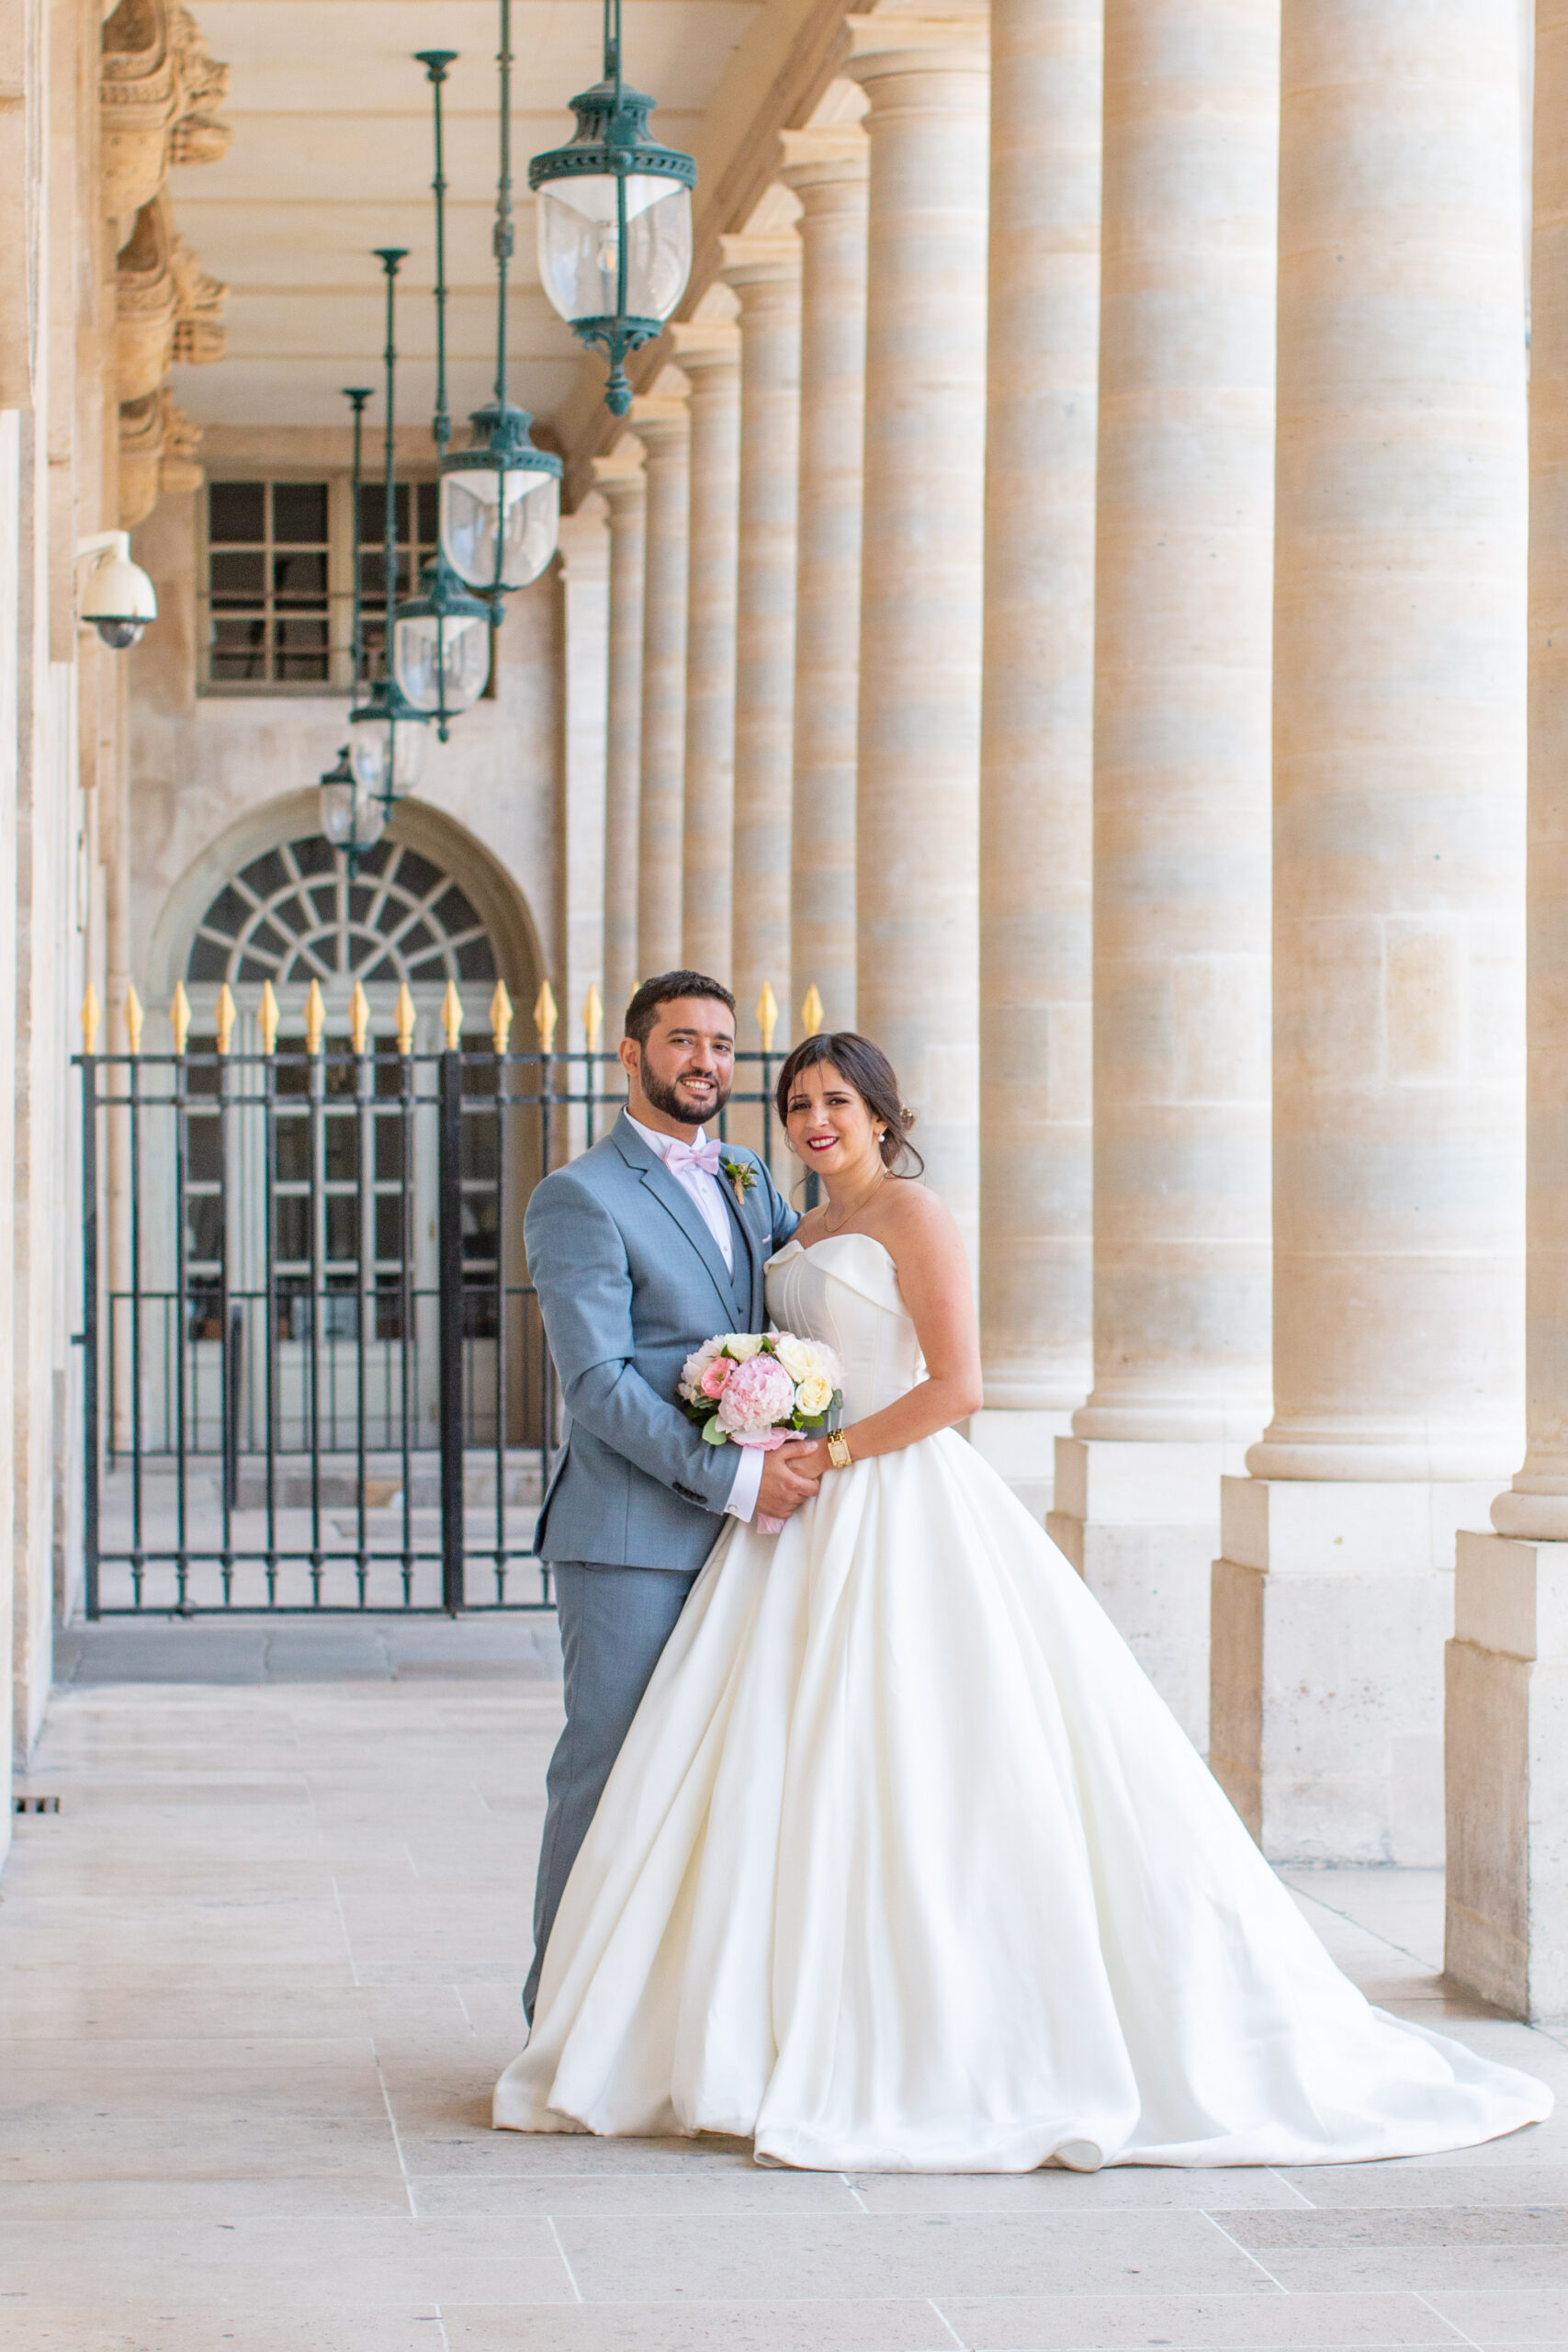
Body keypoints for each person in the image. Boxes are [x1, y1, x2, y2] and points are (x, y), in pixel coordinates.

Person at [496, 1030, 1551, 2171]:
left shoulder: (914, 1215)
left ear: (885, 1115)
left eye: (837, 1101)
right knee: (773, 1764)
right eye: (799, 1101)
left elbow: (959, 1387)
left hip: (894, 1502)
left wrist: (831, 1452)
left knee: (933, 1756)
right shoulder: (786, 1223)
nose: (814, 1120)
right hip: (790, 1527)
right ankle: (725, 2020)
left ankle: (948, 2031)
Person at [517, 970, 811, 2020]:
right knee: (607, 1775)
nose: (707, 1062)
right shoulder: (580, 1196)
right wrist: (735, 1473)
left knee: (720, 1784)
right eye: (682, 1040)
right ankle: (559, 2021)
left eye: (723, 1044)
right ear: (631, 1056)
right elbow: (597, 1383)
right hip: (632, 1540)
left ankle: (676, 2023)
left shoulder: (745, 1175)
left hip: (752, 1540)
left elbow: (803, 1300)